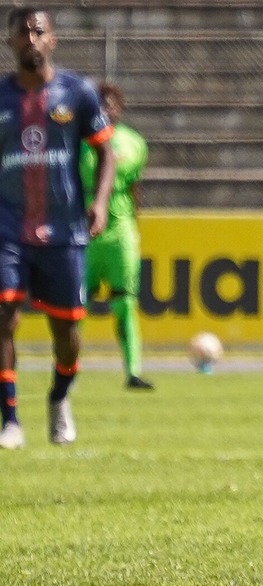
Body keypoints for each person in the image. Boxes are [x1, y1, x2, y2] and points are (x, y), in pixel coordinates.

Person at [0, 9, 114, 448]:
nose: (31, 38)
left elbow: (106, 153)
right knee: (4, 316)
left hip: (64, 231)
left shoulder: (77, 92)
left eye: (38, 31)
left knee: (66, 332)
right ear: (10, 42)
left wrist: (99, 202)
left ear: (53, 40)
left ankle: (59, 397)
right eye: (23, 32)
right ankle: (10, 420)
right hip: (8, 228)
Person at [81, 81, 153, 392]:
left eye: (112, 104)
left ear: (120, 109)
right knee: (75, 306)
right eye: (101, 104)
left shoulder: (134, 143)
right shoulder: (79, 142)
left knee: (124, 302)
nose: (107, 110)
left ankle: (133, 372)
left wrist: (134, 224)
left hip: (120, 230)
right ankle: (68, 370)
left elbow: (135, 187)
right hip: (84, 231)